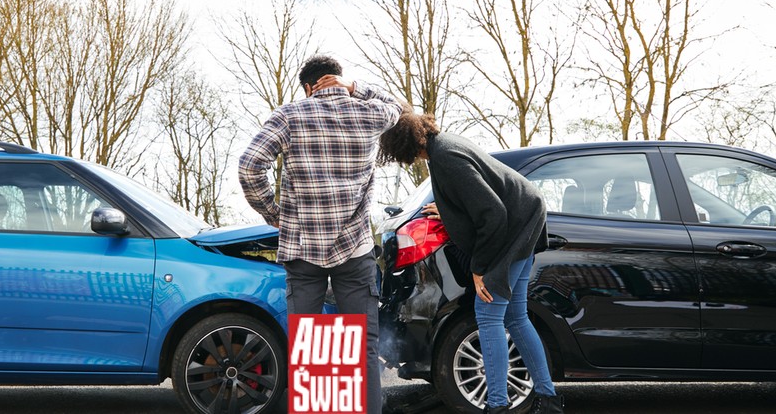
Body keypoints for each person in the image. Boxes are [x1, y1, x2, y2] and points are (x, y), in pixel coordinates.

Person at [238, 55, 402, 414]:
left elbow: (250, 167)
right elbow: (398, 107)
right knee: (363, 350)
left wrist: (275, 215)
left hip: (302, 250)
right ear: (339, 80)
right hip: (354, 250)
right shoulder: (369, 113)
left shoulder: (290, 115)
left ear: (309, 87)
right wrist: (357, 89)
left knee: (311, 348)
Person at [378, 110, 563, 414]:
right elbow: (476, 199)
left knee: (488, 315)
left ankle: (498, 406)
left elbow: (492, 214)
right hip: (525, 218)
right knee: (516, 317)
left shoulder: (446, 157)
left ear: (402, 145)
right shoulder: (444, 145)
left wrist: (480, 268)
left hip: (514, 228)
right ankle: (549, 401)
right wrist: (449, 210)